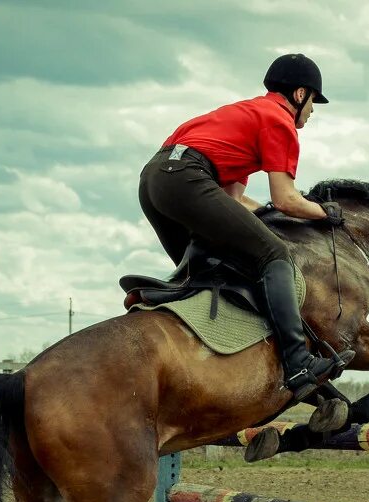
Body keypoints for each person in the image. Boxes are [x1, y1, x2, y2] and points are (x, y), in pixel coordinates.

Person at [138, 53, 348, 402]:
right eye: (314, 102)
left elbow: (234, 202)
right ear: (299, 95)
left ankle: (213, 366)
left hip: (156, 180)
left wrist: (278, 210)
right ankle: (297, 364)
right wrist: (324, 212)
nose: (312, 112)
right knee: (275, 255)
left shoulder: (244, 116)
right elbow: (286, 200)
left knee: (207, 273)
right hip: (186, 179)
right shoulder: (278, 121)